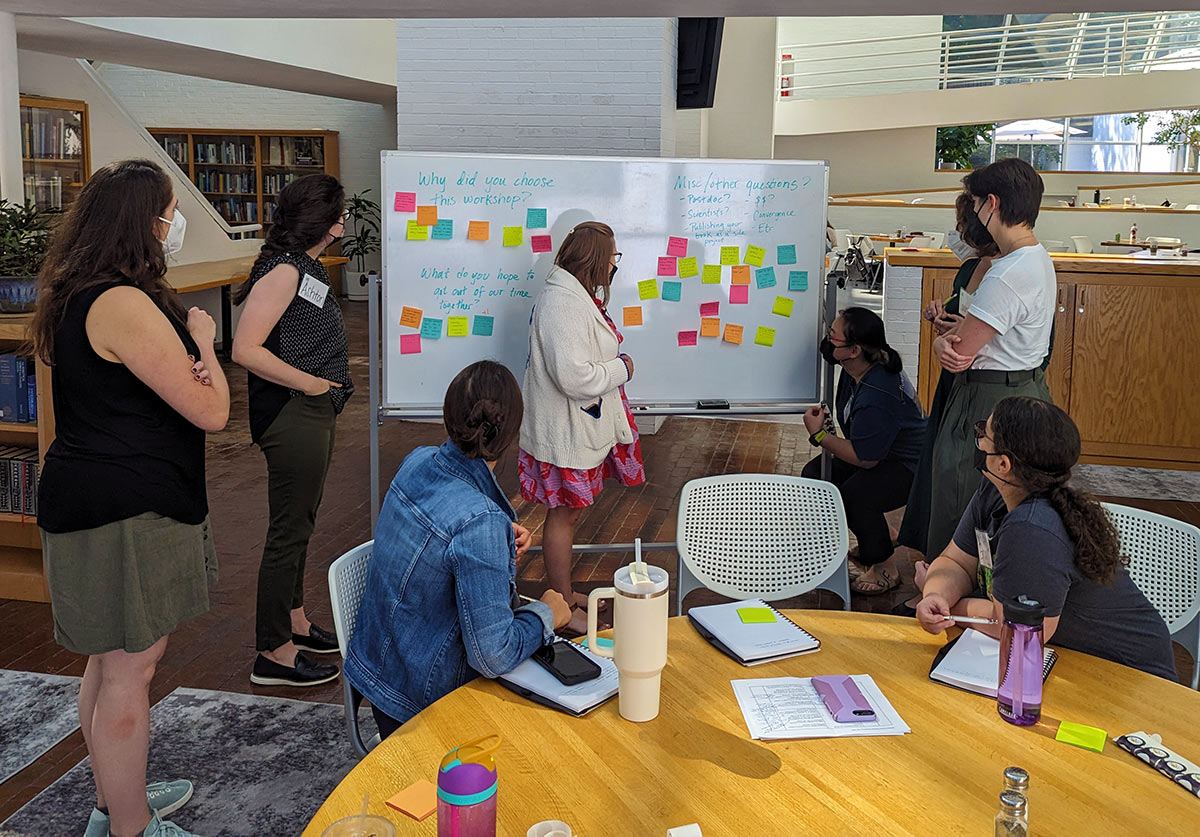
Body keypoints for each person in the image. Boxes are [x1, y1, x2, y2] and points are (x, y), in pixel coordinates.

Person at [32, 160, 230, 837]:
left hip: (95, 499)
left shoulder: (80, 291)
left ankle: (115, 801)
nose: (175, 225)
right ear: (146, 220)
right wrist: (204, 339)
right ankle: (131, 827)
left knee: (109, 660)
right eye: (170, 211)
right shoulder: (121, 302)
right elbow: (211, 409)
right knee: (129, 672)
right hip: (124, 510)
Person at [343, 361, 572, 737]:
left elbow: (443, 535)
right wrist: (548, 613)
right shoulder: (478, 521)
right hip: (423, 707)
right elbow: (492, 655)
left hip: (378, 677)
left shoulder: (417, 461)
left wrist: (496, 538)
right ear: (512, 433)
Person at [915, 397, 1177, 681]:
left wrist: (951, 607)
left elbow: (1016, 630)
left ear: (1003, 463)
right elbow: (956, 560)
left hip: (1129, 679)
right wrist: (936, 595)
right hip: (1069, 661)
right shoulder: (995, 492)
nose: (977, 441)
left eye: (983, 433)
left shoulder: (1032, 528)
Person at [232, 174, 353, 687]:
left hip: (310, 409)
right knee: (288, 530)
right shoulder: (284, 271)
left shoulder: (302, 265)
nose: (344, 221)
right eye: (338, 214)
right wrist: (312, 387)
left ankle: (295, 622)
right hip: (292, 412)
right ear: (321, 223)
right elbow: (245, 349)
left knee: (301, 522)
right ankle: (273, 653)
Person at [920, 158, 1055, 567]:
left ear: (991, 203)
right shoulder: (1036, 257)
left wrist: (943, 343)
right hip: (1021, 387)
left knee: (963, 493)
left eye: (976, 203)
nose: (975, 212)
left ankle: (950, 591)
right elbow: (996, 333)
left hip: (989, 396)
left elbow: (960, 354)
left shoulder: (1007, 272)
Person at [518, 221, 645, 634]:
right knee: (563, 517)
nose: (614, 264)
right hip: (566, 430)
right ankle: (560, 603)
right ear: (595, 257)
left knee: (566, 516)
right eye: (612, 256)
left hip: (574, 426)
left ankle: (564, 593)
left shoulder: (574, 295)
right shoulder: (564, 302)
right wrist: (621, 368)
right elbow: (573, 377)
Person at [802, 308, 926, 595]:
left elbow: (865, 459)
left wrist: (819, 434)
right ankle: (879, 536)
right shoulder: (857, 366)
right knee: (816, 474)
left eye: (834, 337)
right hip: (882, 453)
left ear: (855, 349)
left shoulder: (877, 393)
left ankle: (886, 567)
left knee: (856, 496)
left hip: (910, 466)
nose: (828, 342)